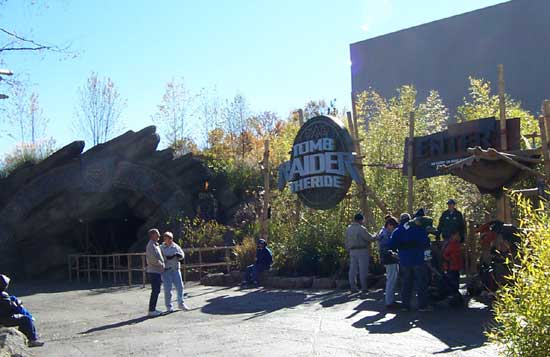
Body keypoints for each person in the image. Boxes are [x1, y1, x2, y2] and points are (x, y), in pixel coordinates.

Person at [391, 210, 432, 312]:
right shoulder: (417, 228)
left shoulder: (397, 231)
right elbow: (426, 241)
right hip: (418, 259)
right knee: (421, 282)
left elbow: (392, 245)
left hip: (404, 260)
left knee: (406, 283)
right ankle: (422, 306)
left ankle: (405, 306)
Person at [0, 275, 44, 347]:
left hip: (3, 316)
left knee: (21, 318)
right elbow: (10, 307)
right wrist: (18, 303)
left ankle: (26, 337)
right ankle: (32, 340)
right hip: (4, 318)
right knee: (26, 319)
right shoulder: (3, 295)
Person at [345, 213, 375, 293]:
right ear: (360, 220)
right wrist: (376, 236)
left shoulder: (348, 228)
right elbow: (369, 238)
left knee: (352, 270)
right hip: (362, 250)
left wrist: (348, 249)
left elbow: (346, 241)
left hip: (352, 251)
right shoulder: (361, 228)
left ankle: (353, 287)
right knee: (363, 270)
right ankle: (364, 288)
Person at [160, 232, 190, 312]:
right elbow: (159, 257)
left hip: (176, 269)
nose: (169, 240)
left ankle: (181, 304)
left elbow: (182, 255)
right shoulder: (161, 247)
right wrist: (167, 258)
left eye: (170, 238)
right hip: (166, 271)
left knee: (180, 287)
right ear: (165, 239)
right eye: (167, 238)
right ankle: (169, 306)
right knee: (168, 290)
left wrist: (178, 256)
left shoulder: (175, 246)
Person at [376, 216, 400, 308]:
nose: (394, 229)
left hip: (388, 259)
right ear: (389, 225)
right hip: (390, 259)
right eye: (393, 227)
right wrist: (394, 254)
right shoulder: (386, 234)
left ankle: (390, 300)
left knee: (391, 280)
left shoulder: (383, 232)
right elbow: (386, 248)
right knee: (391, 280)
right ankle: (389, 302)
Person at [146, 228, 165, 317]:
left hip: (157, 271)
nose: (159, 236)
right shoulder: (150, 245)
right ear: (152, 235)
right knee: (155, 290)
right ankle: (151, 310)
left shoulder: (155, 244)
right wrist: (161, 264)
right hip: (154, 271)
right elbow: (152, 259)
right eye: (157, 234)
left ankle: (153, 309)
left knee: (157, 290)